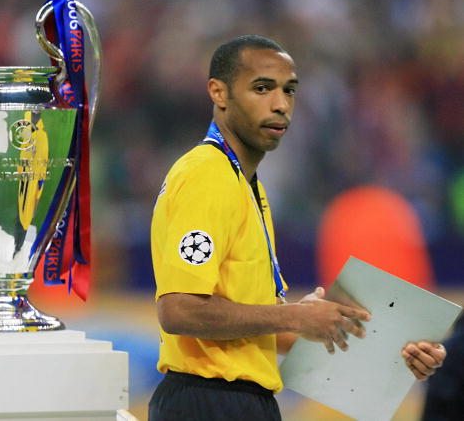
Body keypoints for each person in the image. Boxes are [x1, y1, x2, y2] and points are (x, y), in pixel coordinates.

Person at [148, 35, 446, 421]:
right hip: (208, 402)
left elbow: (251, 328)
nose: (281, 104)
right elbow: (178, 309)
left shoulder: (245, 184)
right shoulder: (208, 174)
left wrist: (395, 352)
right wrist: (293, 316)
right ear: (218, 93)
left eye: (289, 90)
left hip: (240, 401)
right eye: (262, 88)